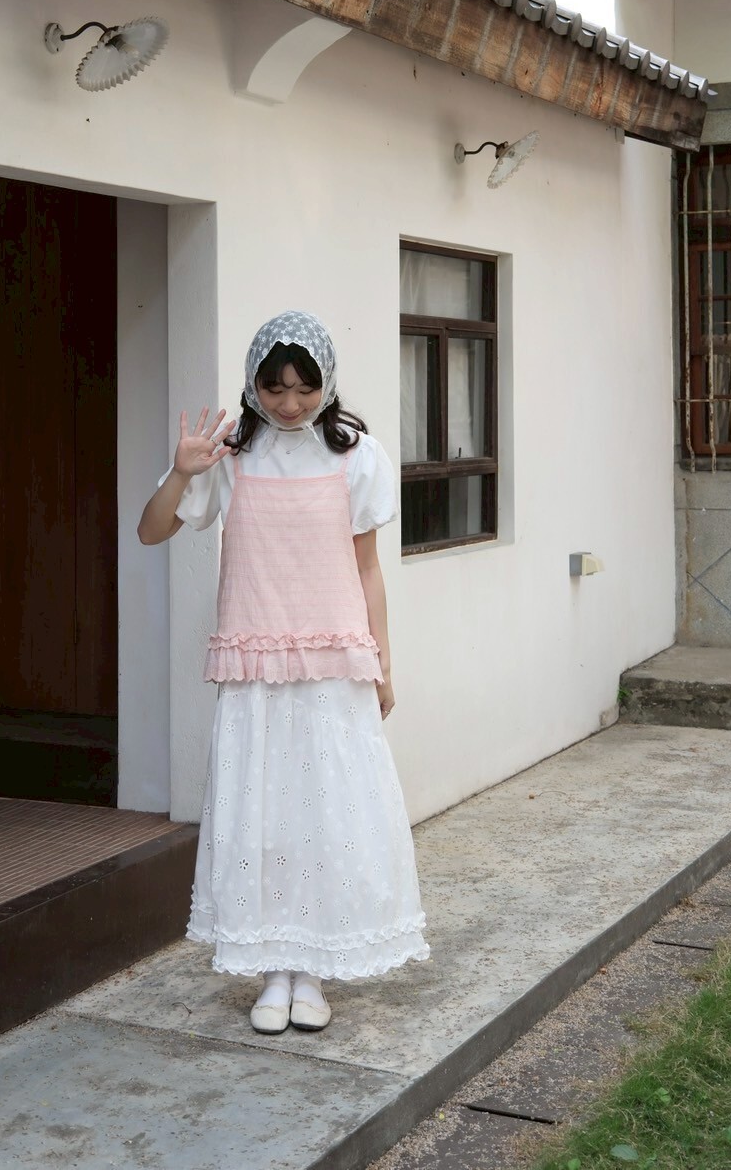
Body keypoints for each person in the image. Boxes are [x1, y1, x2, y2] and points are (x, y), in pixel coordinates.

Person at [138, 311, 428, 1034]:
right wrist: (182, 472)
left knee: (328, 814)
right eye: (275, 388)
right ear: (254, 384)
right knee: (262, 813)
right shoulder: (229, 453)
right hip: (256, 664)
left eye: (304, 388)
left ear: (326, 383)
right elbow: (150, 530)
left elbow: (367, 568)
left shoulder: (355, 454)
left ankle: (313, 969)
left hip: (333, 663)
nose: (291, 403)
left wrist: (383, 661)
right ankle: (273, 968)